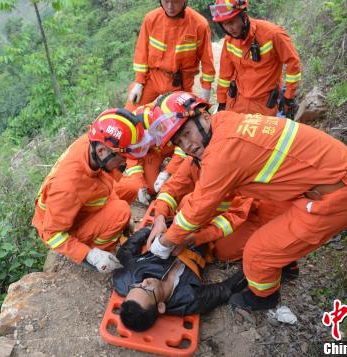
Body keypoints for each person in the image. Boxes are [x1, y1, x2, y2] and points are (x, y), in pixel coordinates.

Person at [147, 92, 347, 310]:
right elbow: (182, 181)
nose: (187, 145)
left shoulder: (222, 152)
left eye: (186, 133)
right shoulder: (223, 124)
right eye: (179, 142)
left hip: (333, 197)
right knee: (267, 234)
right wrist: (160, 216)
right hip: (318, 181)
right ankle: (286, 264)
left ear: (204, 117)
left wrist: (164, 243)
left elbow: (198, 209)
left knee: (257, 253)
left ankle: (264, 298)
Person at [32, 108, 152, 273]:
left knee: (131, 188)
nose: (125, 162)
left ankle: (109, 224)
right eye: (123, 156)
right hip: (61, 224)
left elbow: (100, 182)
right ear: (102, 152)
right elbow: (51, 234)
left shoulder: (92, 145)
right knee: (121, 211)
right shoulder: (67, 187)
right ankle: (103, 252)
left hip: (83, 199)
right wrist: (90, 254)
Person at [113, 227, 246, 332]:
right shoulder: (190, 299)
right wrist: (252, 268)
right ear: (161, 306)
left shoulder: (125, 279)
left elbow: (124, 253)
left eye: (136, 286)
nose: (145, 281)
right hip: (204, 237)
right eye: (147, 290)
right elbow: (224, 290)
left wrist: (147, 230)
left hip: (176, 228)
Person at [211, 0, 301, 117]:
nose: (229, 28)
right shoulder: (229, 40)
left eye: (231, 22)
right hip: (237, 103)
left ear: (243, 15)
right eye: (224, 24)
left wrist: (289, 97)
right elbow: (225, 75)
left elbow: (293, 63)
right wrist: (222, 101)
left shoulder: (272, 34)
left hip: (266, 105)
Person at [125, 0, 215, 111]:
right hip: (152, 79)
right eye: (166, 1)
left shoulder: (199, 24)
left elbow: (207, 62)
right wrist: (139, 83)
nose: (170, 7)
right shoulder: (151, 19)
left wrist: (205, 93)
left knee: (183, 123)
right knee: (129, 113)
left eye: (176, 2)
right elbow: (141, 52)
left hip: (180, 84)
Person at [114, 104, 187, 205]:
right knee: (153, 188)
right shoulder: (132, 132)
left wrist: (168, 172)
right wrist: (139, 185)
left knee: (185, 170)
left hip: (171, 146)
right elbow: (133, 157)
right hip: (153, 152)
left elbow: (183, 148)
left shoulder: (166, 121)